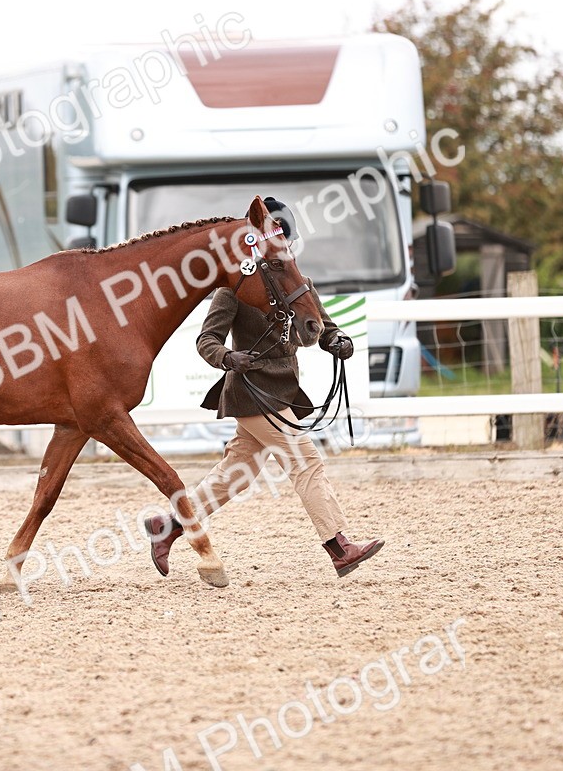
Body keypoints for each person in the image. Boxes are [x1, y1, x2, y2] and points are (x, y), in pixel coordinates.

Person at [144, 238, 383, 579]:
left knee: (234, 476)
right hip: (252, 391)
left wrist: (337, 341)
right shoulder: (234, 288)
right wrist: (227, 357)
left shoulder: (298, 283)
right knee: (306, 462)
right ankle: (339, 547)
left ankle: (167, 526)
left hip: (283, 389)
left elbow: (322, 326)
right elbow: (206, 340)